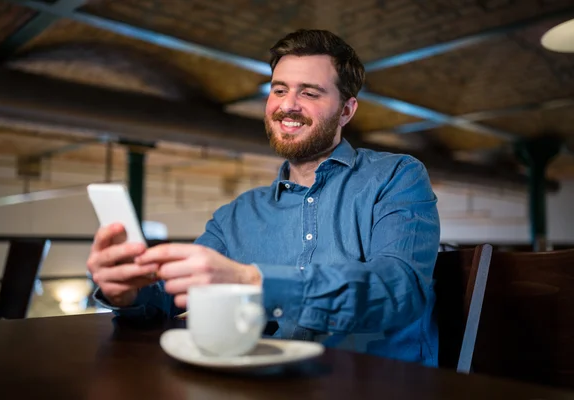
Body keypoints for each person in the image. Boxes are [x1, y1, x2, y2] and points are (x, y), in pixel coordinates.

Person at [87, 29, 441, 366]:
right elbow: (168, 296)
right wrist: (126, 292)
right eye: (279, 90)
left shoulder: (396, 176)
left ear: (346, 111)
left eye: (310, 93)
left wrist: (251, 280)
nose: (288, 105)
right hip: (266, 382)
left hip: (381, 385)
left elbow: (399, 290)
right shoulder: (236, 215)